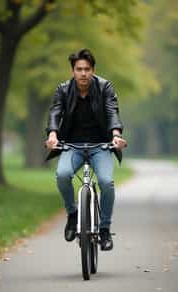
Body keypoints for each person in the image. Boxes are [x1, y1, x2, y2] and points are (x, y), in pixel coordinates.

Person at [45, 48, 127, 251]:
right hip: (72, 146)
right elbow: (55, 112)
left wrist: (116, 135)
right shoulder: (63, 89)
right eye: (79, 69)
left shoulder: (104, 87)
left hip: (101, 145)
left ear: (93, 70)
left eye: (87, 69)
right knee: (62, 175)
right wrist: (53, 135)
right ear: (73, 71)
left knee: (107, 183)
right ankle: (72, 214)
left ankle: (105, 228)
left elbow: (111, 112)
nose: (83, 73)